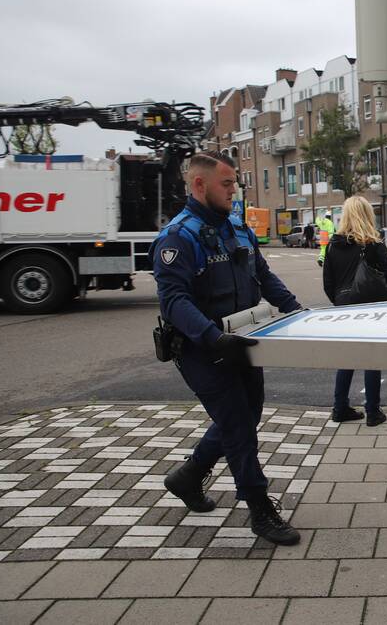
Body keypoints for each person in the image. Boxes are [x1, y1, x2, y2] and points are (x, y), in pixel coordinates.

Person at [150, 151, 302, 546]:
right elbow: (174, 301)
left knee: (247, 416)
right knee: (238, 428)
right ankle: (259, 509)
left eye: (234, 183)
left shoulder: (237, 227)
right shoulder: (178, 237)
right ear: (200, 185)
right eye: (227, 183)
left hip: (244, 342)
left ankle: (187, 477)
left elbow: (262, 274)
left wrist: (297, 311)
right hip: (203, 349)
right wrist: (213, 338)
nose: (234, 190)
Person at [322, 196, 387, 427]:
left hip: (345, 307)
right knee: (371, 357)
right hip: (371, 306)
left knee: (347, 356)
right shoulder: (372, 243)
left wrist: (340, 302)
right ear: (367, 214)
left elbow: (328, 282)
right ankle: (373, 411)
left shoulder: (333, 245)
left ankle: (340, 408)